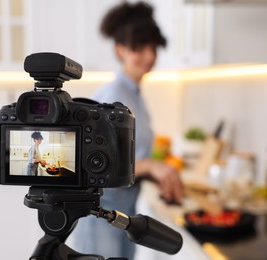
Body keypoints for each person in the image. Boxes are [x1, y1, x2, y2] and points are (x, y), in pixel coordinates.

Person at [72, 2, 183, 259]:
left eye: (153, 47)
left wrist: (157, 169)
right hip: (102, 210)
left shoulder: (133, 94)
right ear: (120, 49)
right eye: (139, 47)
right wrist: (154, 167)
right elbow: (100, 161)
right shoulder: (113, 96)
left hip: (124, 210)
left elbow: (130, 153)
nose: (149, 55)